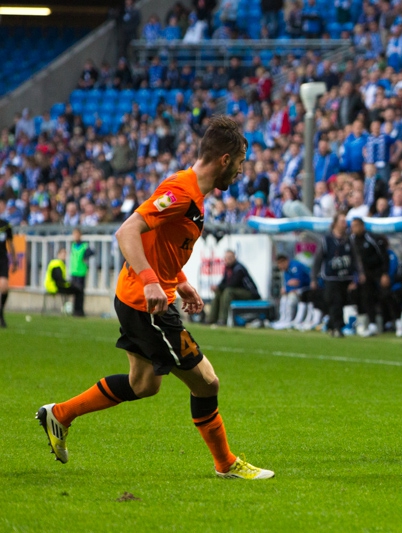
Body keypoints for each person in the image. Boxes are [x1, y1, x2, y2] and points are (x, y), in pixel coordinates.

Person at [36, 116, 273, 480]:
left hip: (137, 297)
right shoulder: (182, 192)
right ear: (225, 160)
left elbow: (159, 243)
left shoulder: (189, 191)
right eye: (240, 163)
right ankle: (226, 463)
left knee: (143, 384)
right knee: (207, 382)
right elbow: (128, 230)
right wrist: (151, 281)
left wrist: (181, 282)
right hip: (147, 304)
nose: (240, 172)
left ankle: (60, 414)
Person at [312, 213, 358, 338]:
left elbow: (355, 258)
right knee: (334, 301)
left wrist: (358, 274)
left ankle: (332, 325)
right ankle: (338, 327)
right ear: (335, 223)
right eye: (342, 221)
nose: (345, 224)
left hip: (345, 277)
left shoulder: (349, 240)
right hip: (331, 277)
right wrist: (314, 278)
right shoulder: (326, 240)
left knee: (342, 302)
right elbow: (318, 260)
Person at [350, 217, 390, 337]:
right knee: (365, 296)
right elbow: (355, 260)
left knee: (385, 295)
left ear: (362, 226)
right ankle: (370, 323)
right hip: (365, 274)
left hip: (378, 271)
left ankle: (392, 322)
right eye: (352, 226)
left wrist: (385, 273)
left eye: (357, 225)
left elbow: (383, 256)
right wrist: (357, 275)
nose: (354, 229)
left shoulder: (371, 238)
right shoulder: (352, 240)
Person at [204, 250, 260, 326]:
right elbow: (223, 282)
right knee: (219, 292)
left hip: (249, 293)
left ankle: (222, 319)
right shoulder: (227, 268)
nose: (228, 259)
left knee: (228, 291)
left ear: (234, 257)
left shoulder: (239, 268)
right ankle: (211, 318)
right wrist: (217, 287)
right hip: (236, 292)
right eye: (227, 258)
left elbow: (233, 284)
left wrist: (219, 287)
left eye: (230, 257)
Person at [271, 254, 311, 329]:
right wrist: (287, 288)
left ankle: (289, 320)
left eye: (280, 264)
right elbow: (289, 284)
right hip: (295, 291)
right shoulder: (286, 270)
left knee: (291, 299)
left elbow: (298, 282)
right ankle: (283, 319)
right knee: (283, 299)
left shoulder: (295, 266)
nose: (279, 267)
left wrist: (288, 288)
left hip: (305, 290)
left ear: (285, 262)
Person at [44, 248, 85, 317]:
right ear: (58, 254)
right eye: (63, 254)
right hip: (54, 287)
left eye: (65, 254)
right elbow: (58, 279)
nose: (64, 256)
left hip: (55, 286)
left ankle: (77, 311)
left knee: (78, 289)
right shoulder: (56, 264)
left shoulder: (59, 263)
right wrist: (69, 284)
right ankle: (78, 311)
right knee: (78, 290)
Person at [69, 229, 94, 317]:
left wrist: (85, 256)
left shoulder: (84, 245)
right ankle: (75, 310)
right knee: (75, 293)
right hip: (73, 272)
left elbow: (92, 252)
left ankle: (80, 311)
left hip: (81, 272)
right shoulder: (72, 245)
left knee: (80, 293)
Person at [0, 216, 17, 328]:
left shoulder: (5, 225)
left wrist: (14, 260)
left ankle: (0, 312)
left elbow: (10, 243)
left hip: (2, 259)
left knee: (4, 287)